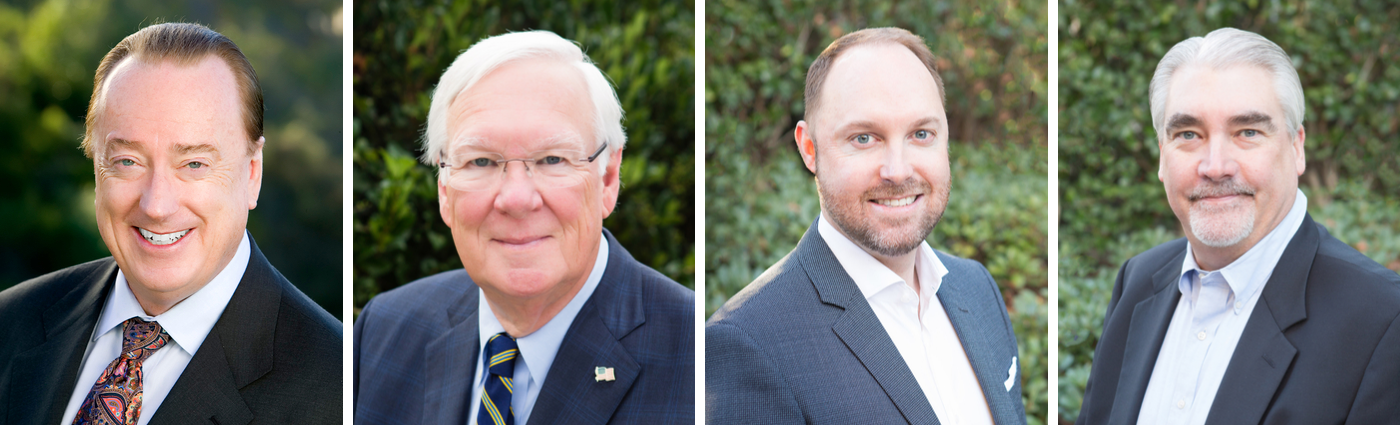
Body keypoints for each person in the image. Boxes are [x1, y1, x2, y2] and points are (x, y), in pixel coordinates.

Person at [0, 22, 341, 424]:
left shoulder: (335, 388)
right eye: (128, 161)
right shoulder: (11, 323)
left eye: (194, 164)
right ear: (95, 167)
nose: (157, 205)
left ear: (252, 173)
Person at [352, 30, 694, 425]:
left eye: (552, 159)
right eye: (481, 161)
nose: (516, 199)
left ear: (608, 178)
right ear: (444, 189)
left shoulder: (695, 355)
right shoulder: (385, 331)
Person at [1075, 28, 1400, 425]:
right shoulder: (1138, 281)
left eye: (1247, 132)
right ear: (1163, 156)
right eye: (1188, 134)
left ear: (1297, 147)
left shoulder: (1383, 321)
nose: (1215, 166)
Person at [706, 27, 1027, 425]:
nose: (898, 170)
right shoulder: (748, 343)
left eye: (921, 134)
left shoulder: (977, 288)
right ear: (810, 149)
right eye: (864, 138)